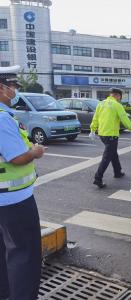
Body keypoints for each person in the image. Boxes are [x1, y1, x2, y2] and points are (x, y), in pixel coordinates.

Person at [0, 65, 45, 300]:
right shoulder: (2, 119)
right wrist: (35, 151)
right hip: (14, 200)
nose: (14, 91)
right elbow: (17, 158)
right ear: (1, 88)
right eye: (12, 87)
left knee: (4, 252)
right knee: (24, 255)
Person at [90, 88, 131, 188]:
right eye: (120, 97)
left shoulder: (101, 104)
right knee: (106, 158)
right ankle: (98, 178)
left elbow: (95, 118)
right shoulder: (117, 105)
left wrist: (93, 129)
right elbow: (124, 118)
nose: (120, 99)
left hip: (102, 134)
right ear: (117, 96)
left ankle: (118, 171)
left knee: (113, 153)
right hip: (111, 135)